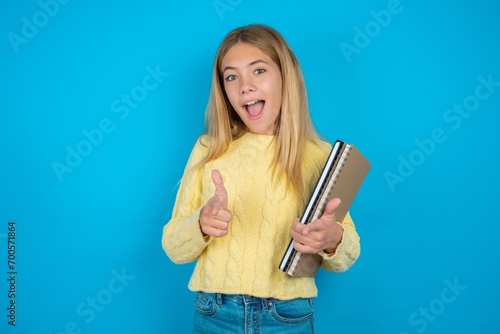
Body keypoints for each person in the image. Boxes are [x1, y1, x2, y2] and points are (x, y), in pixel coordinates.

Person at [162, 24, 360, 334]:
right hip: (215, 314)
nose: (245, 87)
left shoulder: (321, 156)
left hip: (287, 317)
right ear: (223, 90)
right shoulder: (208, 149)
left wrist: (331, 239)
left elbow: (347, 256)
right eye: (231, 76)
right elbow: (173, 247)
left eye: (258, 71)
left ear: (285, 77)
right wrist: (201, 223)